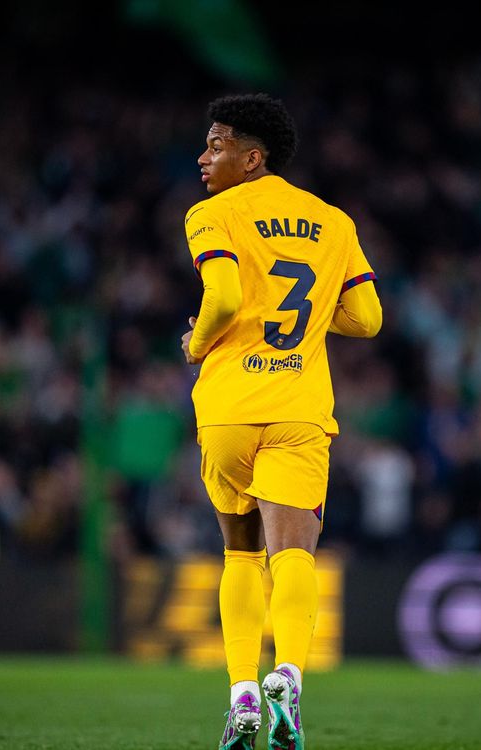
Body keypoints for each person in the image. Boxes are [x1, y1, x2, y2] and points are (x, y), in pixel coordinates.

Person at [180, 93, 382, 750]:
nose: (204, 157)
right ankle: (288, 677)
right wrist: (313, 315)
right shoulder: (333, 221)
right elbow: (367, 319)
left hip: (229, 408)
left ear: (252, 157)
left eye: (217, 145)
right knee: (294, 553)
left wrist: (196, 345)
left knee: (240, 552)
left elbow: (224, 296)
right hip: (298, 408)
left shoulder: (212, 214)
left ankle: (241, 691)